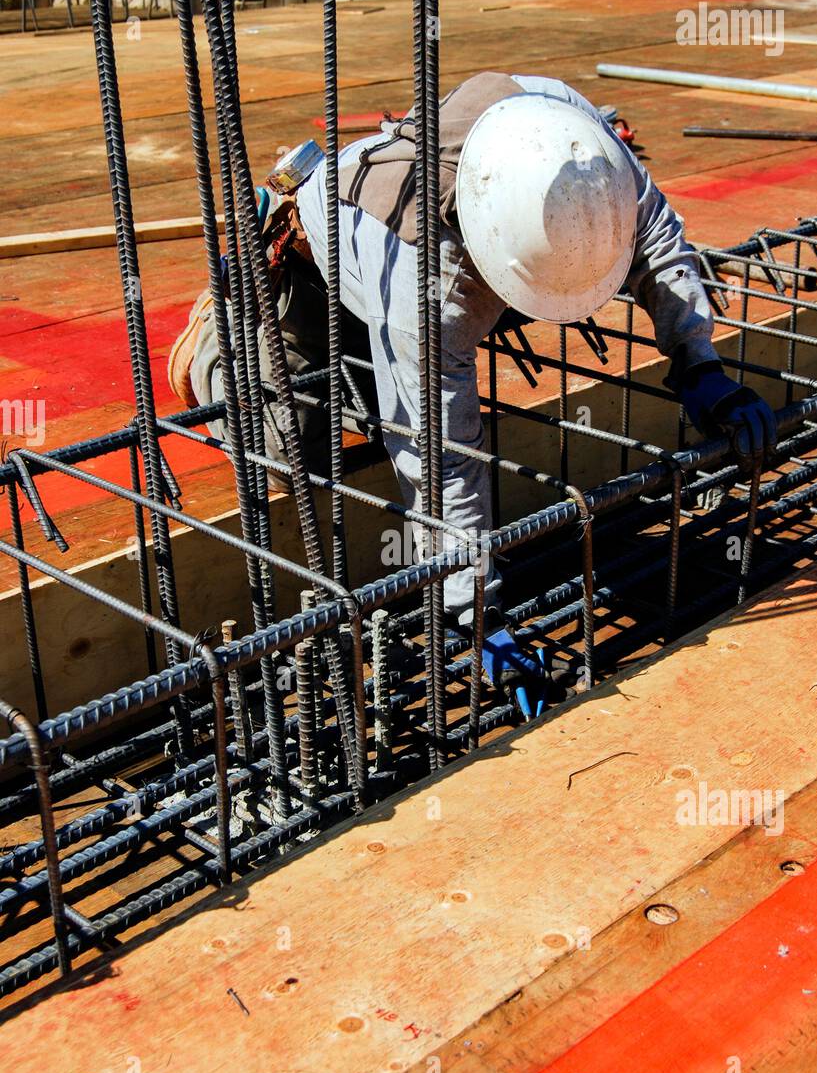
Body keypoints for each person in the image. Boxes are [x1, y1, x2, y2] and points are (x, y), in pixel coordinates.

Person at [169, 71, 776, 706]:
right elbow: (441, 465)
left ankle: (370, 365)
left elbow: (655, 239)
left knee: (406, 389)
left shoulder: (570, 137)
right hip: (332, 264)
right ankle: (229, 329)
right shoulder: (429, 291)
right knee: (291, 444)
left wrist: (698, 360)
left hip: (433, 266)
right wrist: (475, 615)